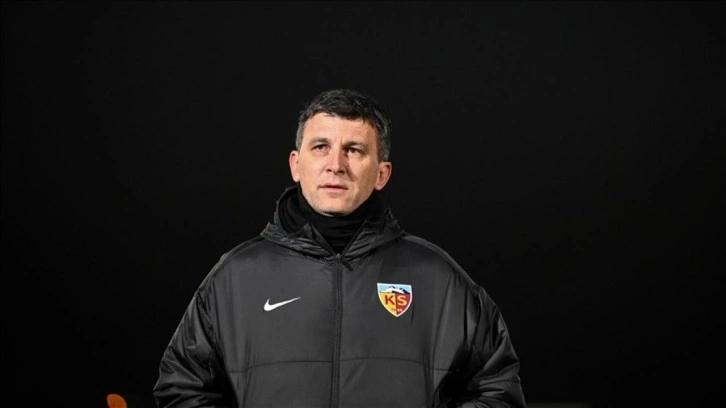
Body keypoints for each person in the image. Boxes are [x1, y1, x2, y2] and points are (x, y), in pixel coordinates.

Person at [153, 89, 526, 407]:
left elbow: (498, 388)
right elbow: (182, 388)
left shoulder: (437, 277)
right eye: (321, 147)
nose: (336, 165)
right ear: (296, 164)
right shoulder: (236, 277)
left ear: (382, 173)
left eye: (354, 150)